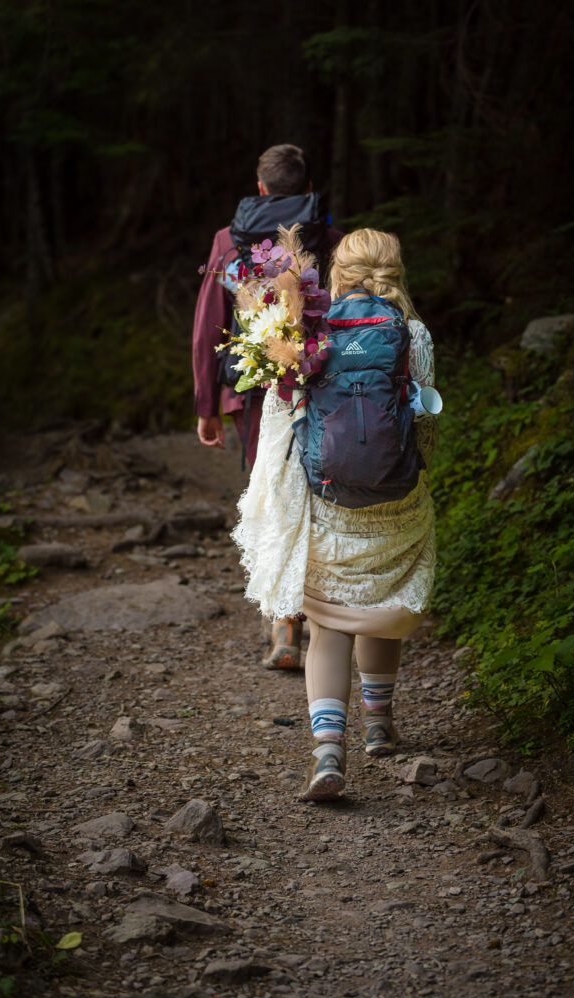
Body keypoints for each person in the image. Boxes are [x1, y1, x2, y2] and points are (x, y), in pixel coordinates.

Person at [232, 228, 438, 800]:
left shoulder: (304, 331)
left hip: (331, 499)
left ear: (337, 274)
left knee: (328, 622)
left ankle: (328, 753)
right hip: (397, 500)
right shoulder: (411, 332)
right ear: (395, 272)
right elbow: (426, 421)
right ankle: (379, 726)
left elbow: (283, 422)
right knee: (380, 604)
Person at [192, 143, 342, 670]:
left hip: (253, 387)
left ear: (260, 187)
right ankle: (316, 613)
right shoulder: (329, 238)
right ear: (306, 188)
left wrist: (207, 402)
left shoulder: (225, 241)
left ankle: (283, 625)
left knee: (270, 489)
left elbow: (210, 319)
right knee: (317, 490)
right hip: (322, 382)